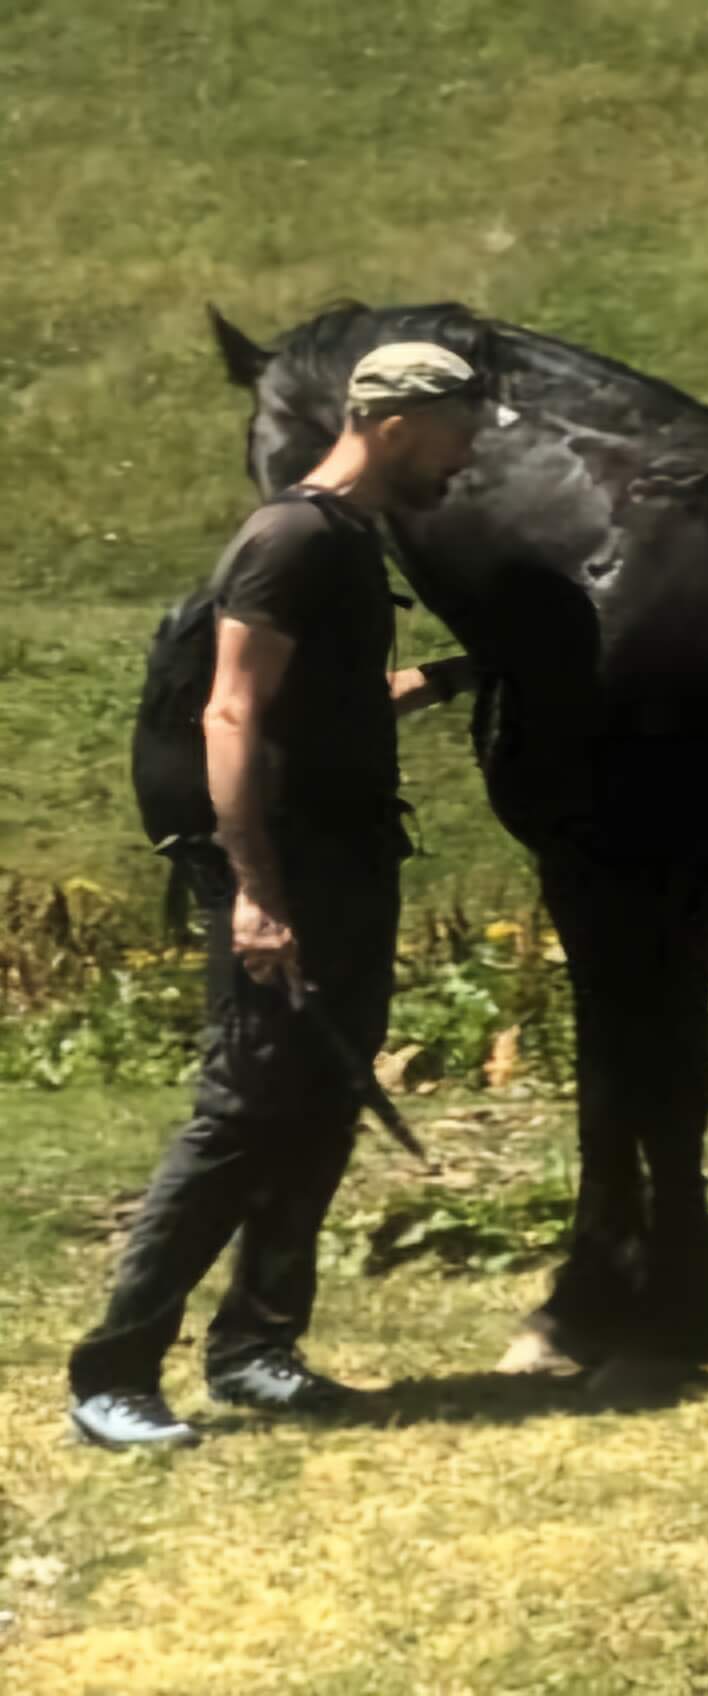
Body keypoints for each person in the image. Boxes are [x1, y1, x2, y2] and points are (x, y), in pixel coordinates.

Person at [67, 343, 496, 1448]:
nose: (471, 449)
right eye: (460, 427)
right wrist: (255, 893)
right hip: (284, 872)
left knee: (318, 1109)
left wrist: (457, 675)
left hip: (352, 863)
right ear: (397, 422)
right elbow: (232, 715)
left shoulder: (348, 541)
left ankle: (256, 1348)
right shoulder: (293, 537)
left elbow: (335, 705)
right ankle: (112, 1374)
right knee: (244, 1111)